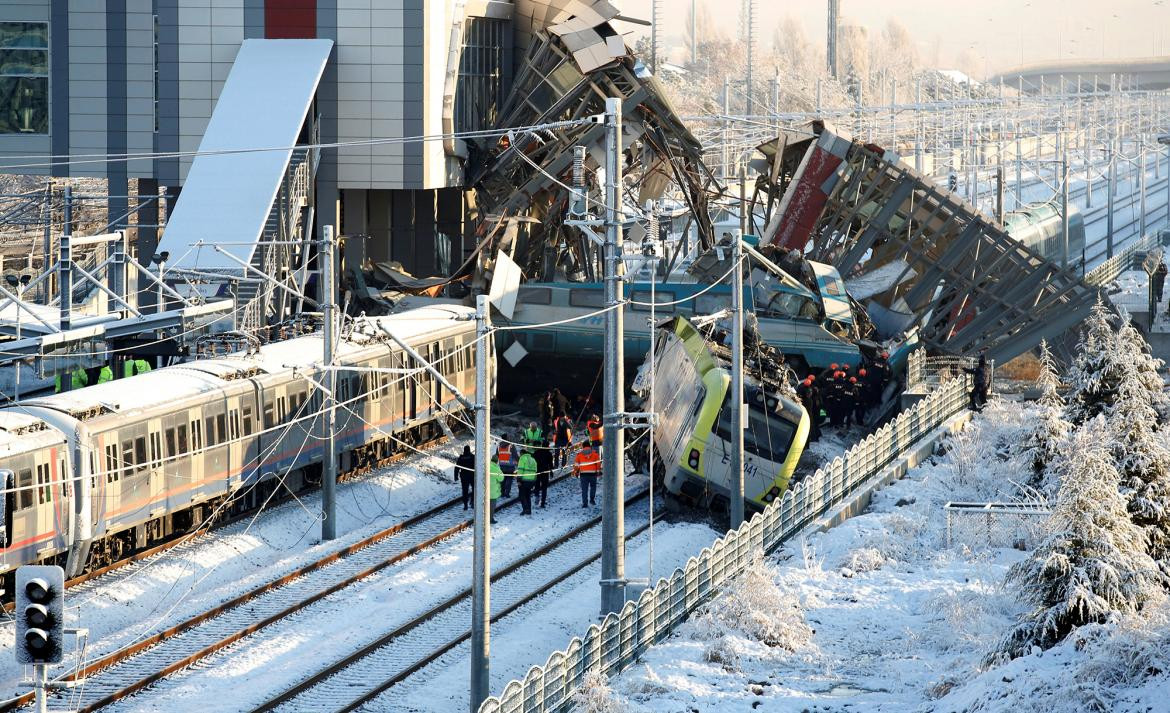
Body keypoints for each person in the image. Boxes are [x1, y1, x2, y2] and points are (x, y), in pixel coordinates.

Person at [574, 443, 602, 507]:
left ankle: (585, 503)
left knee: (584, 489)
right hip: (593, 474)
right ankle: (592, 499)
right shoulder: (595, 454)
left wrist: (576, 472)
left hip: (583, 474)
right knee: (593, 487)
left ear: (583, 447)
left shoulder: (579, 455)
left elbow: (576, 465)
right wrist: (598, 472)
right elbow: (598, 464)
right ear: (590, 446)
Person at [533, 430, 554, 508]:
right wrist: (551, 471)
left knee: (537, 485)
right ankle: (542, 503)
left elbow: (533, 461)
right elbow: (551, 464)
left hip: (537, 471)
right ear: (548, 446)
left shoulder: (537, 452)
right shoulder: (549, 454)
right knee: (544, 488)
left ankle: (537, 496)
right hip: (545, 472)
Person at [516, 448, 538, 515]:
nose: (519, 455)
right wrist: (534, 481)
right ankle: (529, 510)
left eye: (520, 454)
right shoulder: (533, 460)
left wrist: (519, 480)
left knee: (522, 495)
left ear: (522, 453)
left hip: (524, 480)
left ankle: (525, 509)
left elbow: (520, 470)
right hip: (531, 481)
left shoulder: (522, 459)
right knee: (528, 495)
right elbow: (535, 471)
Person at [454, 445, 475, 510]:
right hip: (472, 476)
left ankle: (465, 505)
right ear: (469, 450)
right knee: (474, 489)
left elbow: (457, 467)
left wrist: (456, 476)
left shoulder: (461, 458)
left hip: (464, 477)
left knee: (465, 491)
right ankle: (472, 501)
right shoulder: (472, 457)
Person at [488, 457, 504, 524]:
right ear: (497, 461)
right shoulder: (496, 469)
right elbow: (501, 478)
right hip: (492, 491)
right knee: (491, 507)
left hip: (483, 490)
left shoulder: (486, 465)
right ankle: (490, 519)